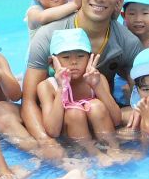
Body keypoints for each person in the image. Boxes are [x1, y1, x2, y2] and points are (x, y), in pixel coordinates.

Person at [0, 0, 143, 161]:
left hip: (97, 115)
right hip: (53, 118)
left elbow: (142, 92)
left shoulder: (126, 41)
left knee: (142, 115)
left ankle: (98, 145)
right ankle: (50, 152)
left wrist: (140, 112)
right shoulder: (48, 35)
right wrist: (45, 140)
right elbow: (29, 100)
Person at [36, 28, 126, 165]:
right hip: (73, 140)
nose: (74, 62)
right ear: (52, 63)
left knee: (96, 106)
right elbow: (53, 131)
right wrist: (62, 88)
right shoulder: (47, 86)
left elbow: (116, 119)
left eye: (80, 56)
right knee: (74, 112)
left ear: (89, 58)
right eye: (66, 57)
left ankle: (113, 148)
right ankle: (93, 153)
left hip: (99, 133)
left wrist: (97, 86)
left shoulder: (97, 79)